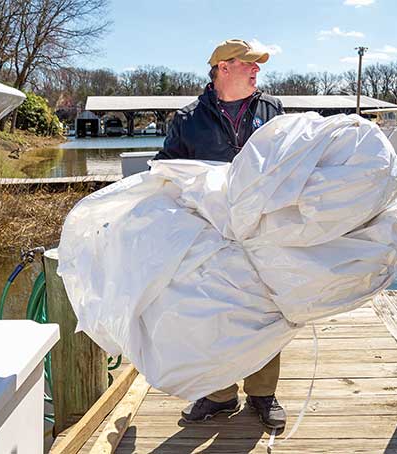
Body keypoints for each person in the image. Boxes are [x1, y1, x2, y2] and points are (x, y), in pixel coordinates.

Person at [153, 39, 286, 430]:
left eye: (258, 65)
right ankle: (219, 395)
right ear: (223, 67)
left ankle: (263, 394)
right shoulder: (187, 119)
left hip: (262, 229)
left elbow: (288, 161)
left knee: (267, 312)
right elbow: (164, 172)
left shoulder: (272, 109)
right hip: (209, 234)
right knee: (213, 313)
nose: (256, 70)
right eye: (249, 64)